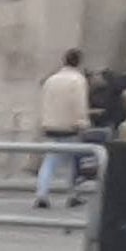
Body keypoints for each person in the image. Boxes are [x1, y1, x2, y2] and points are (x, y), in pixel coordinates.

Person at [33, 47, 93, 208]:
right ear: (78, 62)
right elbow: (79, 104)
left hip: (51, 125)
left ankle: (42, 193)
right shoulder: (78, 80)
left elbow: (44, 102)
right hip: (70, 126)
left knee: (49, 161)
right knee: (72, 163)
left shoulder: (51, 79)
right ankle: (72, 194)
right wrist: (83, 123)